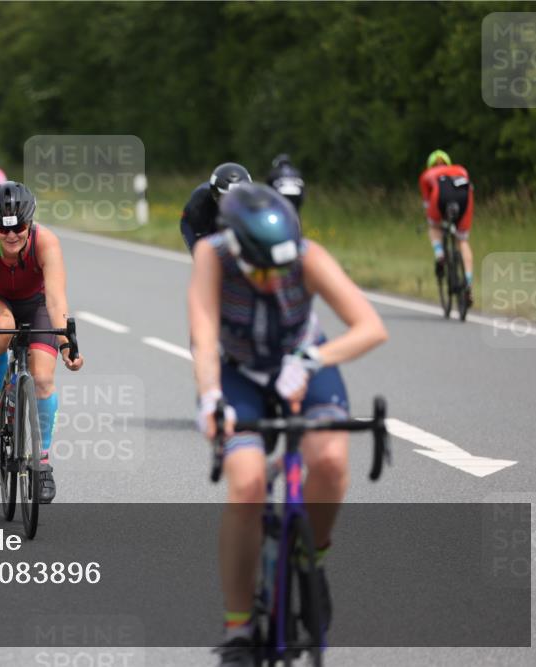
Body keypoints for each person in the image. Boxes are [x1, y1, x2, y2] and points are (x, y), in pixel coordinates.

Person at [187, 183, 387, 666]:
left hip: (304, 365)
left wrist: (314, 358)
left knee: (331, 461)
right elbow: (204, 335)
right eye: (260, 271)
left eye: (281, 269)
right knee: (247, 485)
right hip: (239, 373)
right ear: (236, 248)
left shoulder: (308, 256)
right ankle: (239, 627)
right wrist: (211, 397)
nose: (272, 281)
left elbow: (370, 327)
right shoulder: (212, 256)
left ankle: (311, 558)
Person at [0, 181, 84, 503]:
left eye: (18, 227)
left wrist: (67, 345)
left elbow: (56, 301)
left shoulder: (46, 242)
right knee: (0, 331)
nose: (11, 235)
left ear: (30, 223)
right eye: (3, 230)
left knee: (43, 378)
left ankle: (41, 463)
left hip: (38, 304)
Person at [418, 149, 475, 305]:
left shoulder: (427, 174)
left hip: (440, 198)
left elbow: (427, 204)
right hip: (464, 199)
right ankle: (468, 283)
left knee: (433, 226)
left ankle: (440, 254)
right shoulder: (461, 170)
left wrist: (434, 220)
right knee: (462, 240)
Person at [180, 163, 251, 252]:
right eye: (226, 197)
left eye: (238, 196)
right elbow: (202, 238)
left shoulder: (254, 198)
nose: (232, 202)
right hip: (198, 223)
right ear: (215, 194)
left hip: (222, 220)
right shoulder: (200, 204)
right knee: (204, 254)